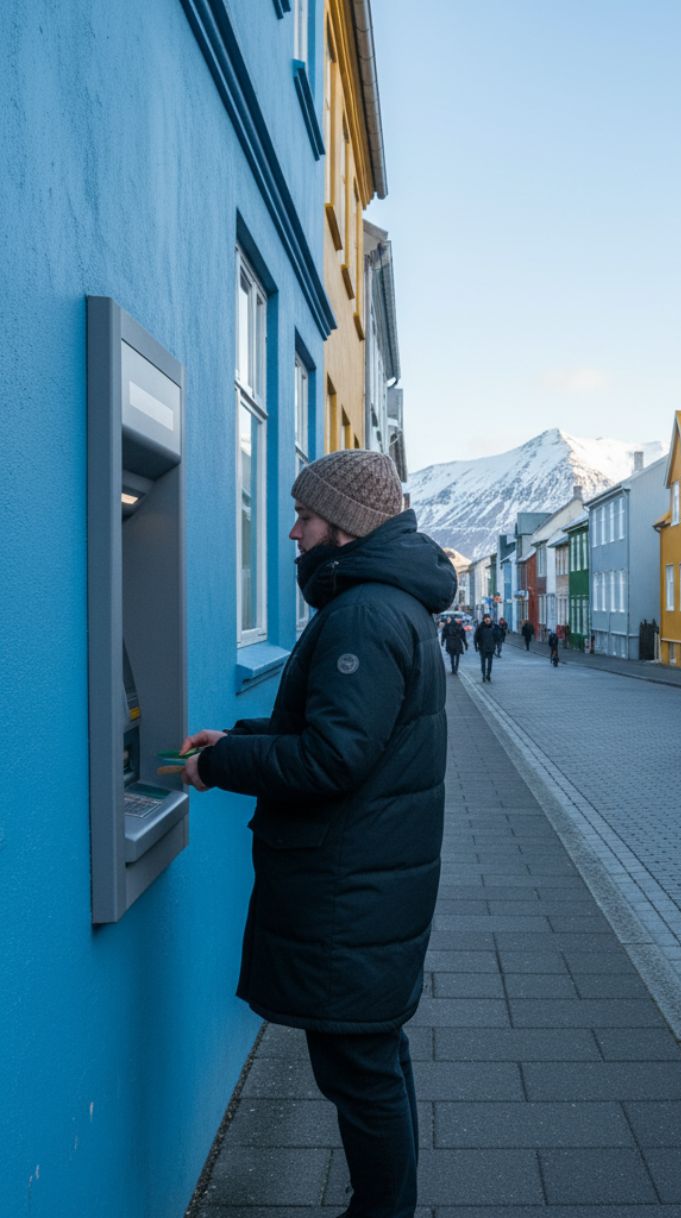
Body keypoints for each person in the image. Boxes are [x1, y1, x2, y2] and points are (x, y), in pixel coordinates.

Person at [178, 450, 456, 1218]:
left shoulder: (364, 612)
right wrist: (235, 737)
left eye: (305, 516)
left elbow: (334, 757)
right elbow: (338, 729)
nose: (293, 533)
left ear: (345, 524)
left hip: (350, 893)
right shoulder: (388, 603)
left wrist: (226, 764)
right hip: (370, 882)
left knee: (361, 1076)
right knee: (373, 1066)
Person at [475, 613, 501, 681]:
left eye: (488, 618)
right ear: (483, 619)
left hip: (491, 647)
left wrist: (497, 631)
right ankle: (483, 675)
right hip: (482, 648)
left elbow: (498, 636)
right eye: (485, 618)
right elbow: (476, 637)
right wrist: (476, 646)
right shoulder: (480, 627)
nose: (487, 619)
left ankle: (488, 675)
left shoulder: (494, 626)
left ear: (490, 619)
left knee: (490, 663)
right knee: (483, 663)